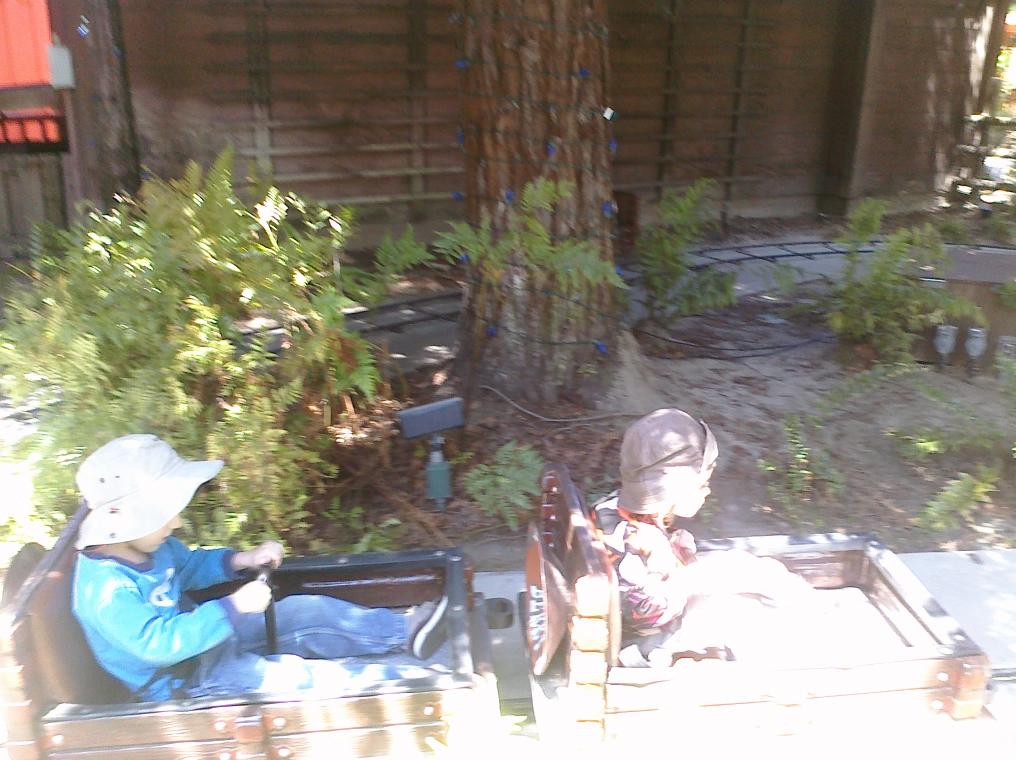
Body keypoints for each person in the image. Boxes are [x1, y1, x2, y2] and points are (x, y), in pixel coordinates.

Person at [72, 434, 449, 701]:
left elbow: (190, 566)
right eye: (164, 515)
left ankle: (402, 631)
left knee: (303, 612)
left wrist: (243, 559)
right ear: (128, 520)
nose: (176, 523)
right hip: (186, 681)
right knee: (294, 678)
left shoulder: (153, 545)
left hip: (210, 638)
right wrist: (234, 606)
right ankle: (408, 687)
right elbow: (158, 645)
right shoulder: (107, 591)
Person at [594, 408, 815, 666]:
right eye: (702, 484)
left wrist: (678, 552)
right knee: (752, 597)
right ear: (674, 487)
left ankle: (798, 606)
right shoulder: (632, 541)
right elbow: (643, 613)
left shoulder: (615, 510)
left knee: (751, 571)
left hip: (660, 617)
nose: (707, 492)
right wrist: (693, 578)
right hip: (648, 644)